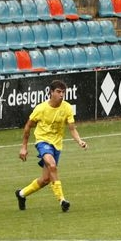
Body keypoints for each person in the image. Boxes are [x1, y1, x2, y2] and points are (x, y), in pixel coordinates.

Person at [16, 79, 87, 212]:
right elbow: (28, 126)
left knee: (46, 179)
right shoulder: (41, 108)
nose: (61, 95)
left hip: (57, 145)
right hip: (42, 141)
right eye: (58, 92)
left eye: (63, 92)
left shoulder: (67, 108)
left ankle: (21, 194)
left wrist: (79, 141)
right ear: (51, 92)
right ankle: (62, 201)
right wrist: (24, 147)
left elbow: (72, 128)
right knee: (52, 165)